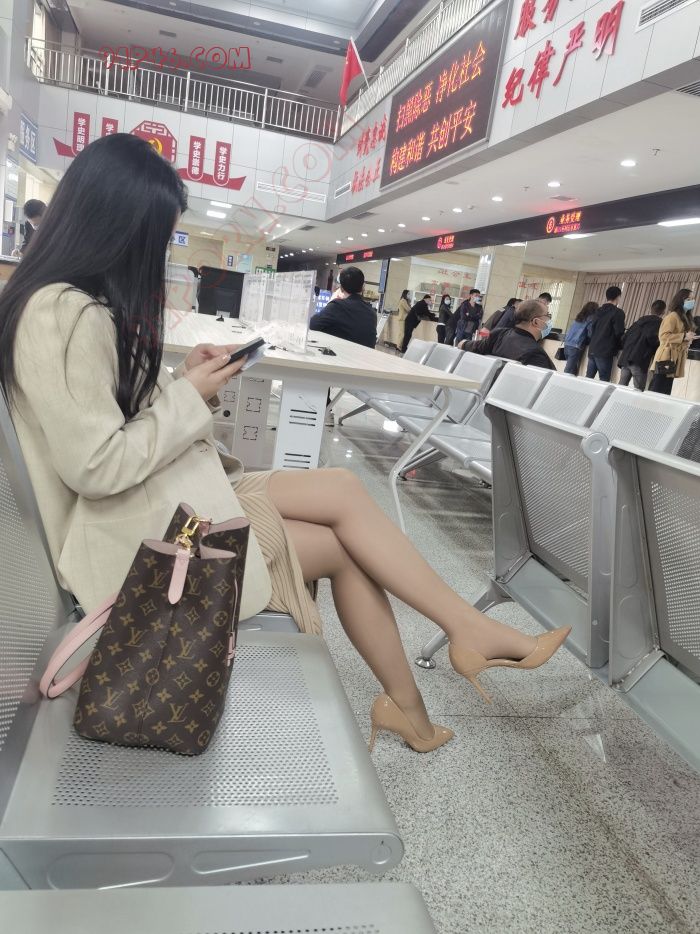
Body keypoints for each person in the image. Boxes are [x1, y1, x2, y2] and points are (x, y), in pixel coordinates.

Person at [0, 135, 569, 754]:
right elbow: (96, 465)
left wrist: (185, 380)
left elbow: (106, 426)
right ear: (119, 228)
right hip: (129, 543)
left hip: (151, 506)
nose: (160, 254)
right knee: (342, 548)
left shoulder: (63, 305)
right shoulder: (64, 313)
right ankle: (424, 690)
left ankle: (453, 648)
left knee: (342, 487)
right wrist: (188, 394)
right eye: (159, 237)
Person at [458, 299, 555, 370]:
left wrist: (463, 343)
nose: (549, 319)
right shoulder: (535, 354)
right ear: (536, 322)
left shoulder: (499, 334)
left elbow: (469, 345)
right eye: (548, 315)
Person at [309, 266, 377, 349]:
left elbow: (312, 324)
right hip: (364, 356)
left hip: (341, 354)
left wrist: (331, 302)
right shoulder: (372, 313)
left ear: (341, 288)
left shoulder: (337, 306)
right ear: (363, 287)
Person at [649, 290, 696, 395]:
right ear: (680, 300)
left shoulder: (685, 317)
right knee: (657, 389)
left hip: (673, 359)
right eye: (689, 299)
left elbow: (680, 338)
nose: (692, 301)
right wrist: (684, 336)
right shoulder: (672, 316)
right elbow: (663, 336)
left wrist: (688, 340)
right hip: (665, 358)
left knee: (665, 391)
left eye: (693, 299)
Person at [618, 299, 666, 391]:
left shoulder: (638, 322)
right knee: (639, 390)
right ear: (663, 311)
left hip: (626, 358)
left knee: (621, 387)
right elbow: (654, 341)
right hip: (639, 360)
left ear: (651, 309)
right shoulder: (660, 324)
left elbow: (624, 337)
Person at [586, 286, 625, 381]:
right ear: (618, 297)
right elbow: (619, 332)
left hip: (592, 349)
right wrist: (621, 345)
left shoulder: (597, 311)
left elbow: (591, 330)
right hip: (605, 351)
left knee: (588, 379)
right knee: (604, 380)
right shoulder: (618, 312)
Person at [562, 302, 598, 375]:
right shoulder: (591, 318)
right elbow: (590, 334)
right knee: (568, 371)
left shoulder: (579, 317)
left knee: (572, 370)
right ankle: (560, 381)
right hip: (576, 346)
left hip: (567, 344)